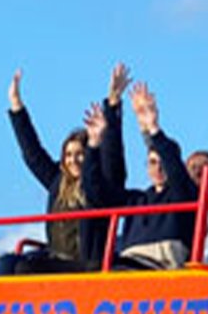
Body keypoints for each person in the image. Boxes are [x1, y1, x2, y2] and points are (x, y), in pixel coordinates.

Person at [0, 64, 130, 275]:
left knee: (25, 269)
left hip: (87, 264)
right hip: (56, 258)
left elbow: (113, 155)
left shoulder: (101, 185)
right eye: (68, 155)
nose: (74, 160)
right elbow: (33, 154)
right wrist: (16, 106)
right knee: (6, 264)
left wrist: (112, 104)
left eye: (80, 153)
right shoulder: (58, 182)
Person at [82, 81, 198, 269]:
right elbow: (95, 192)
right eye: (152, 162)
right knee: (27, 267)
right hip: (126, 263)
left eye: (163, 163)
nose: (158, 169)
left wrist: (153, 128)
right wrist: (94, 145)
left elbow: (176, 172)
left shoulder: (183, 196)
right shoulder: (135, 200)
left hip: (159, 268)